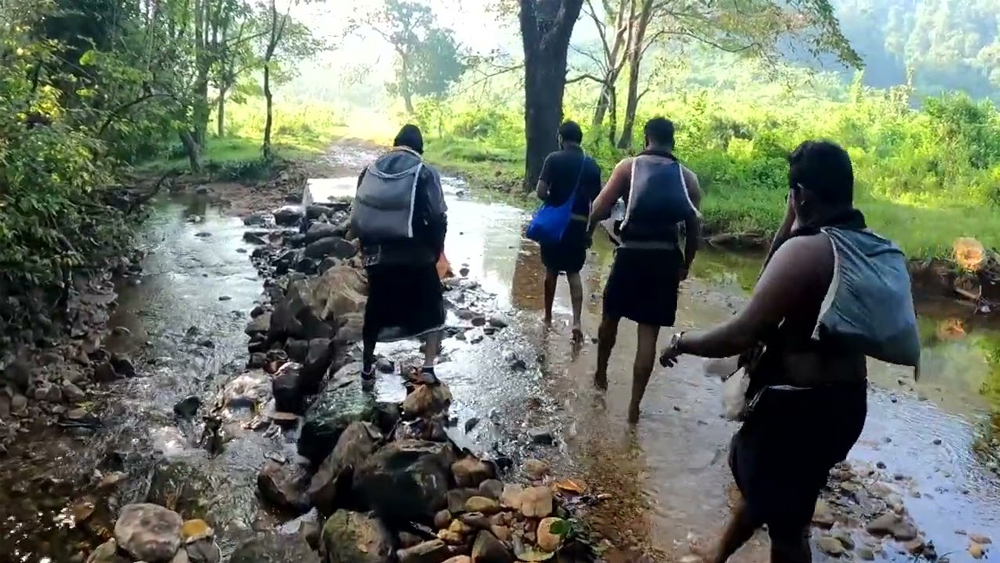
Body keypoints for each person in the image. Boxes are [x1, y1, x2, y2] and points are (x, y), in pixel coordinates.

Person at [658, 141, 895, 563]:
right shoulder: (861, 246)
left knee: (786, 527)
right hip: (846, 404)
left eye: (792, 195)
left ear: (801, 193)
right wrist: (792, 217)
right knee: (784, 492)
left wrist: (682, 341)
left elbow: (744, 332)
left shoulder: (808, 251)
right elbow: (774, 276)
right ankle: (719, 553)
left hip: (799, 412)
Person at [588, 117, 702, 423]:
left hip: (631, 256)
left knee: (609, 319)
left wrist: (588, 231)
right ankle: (634, 407)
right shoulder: (688, 178)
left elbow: (600, 206)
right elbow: (694, 231)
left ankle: (600, 376)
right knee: (648, 337)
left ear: (646, 138)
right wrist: (686, 265)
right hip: (665, 260)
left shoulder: (628, 167)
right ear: (672, 140)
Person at [350, 124, 448, 383]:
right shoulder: (424, 172)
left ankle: (367, 369)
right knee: (433, 310)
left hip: (377, 257)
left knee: (376, 309)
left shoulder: (370, 170)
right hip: (416, 257)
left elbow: (360, 211)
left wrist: (365, 251)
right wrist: (437, 250)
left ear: (395, 143)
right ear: (420, 149)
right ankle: (427, 369)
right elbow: (438, 215)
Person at [534, 121, 603, 341]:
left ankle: (546, 317)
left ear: (561, 138)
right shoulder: (591, 165)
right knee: (574, 273)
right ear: (579, 138)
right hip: (578, 224)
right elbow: (598, 204)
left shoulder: (553, 159)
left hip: (556, 225)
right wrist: (589, 232)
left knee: (551, 271)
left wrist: (553, 198)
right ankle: (577, 322)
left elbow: (540, 191)